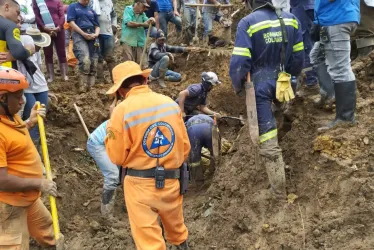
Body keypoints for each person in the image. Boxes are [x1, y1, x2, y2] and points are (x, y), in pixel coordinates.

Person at [105, 61, 191, 250]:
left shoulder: (121, 111)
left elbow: (117, 157)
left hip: (139, 186)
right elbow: (185, 147)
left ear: (120, 91)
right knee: (177, 230)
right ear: (145, 80)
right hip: (171, 180)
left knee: (149, 243)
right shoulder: (169, 103)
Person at [229, 0, 305, 199]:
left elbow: (239, 63)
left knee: (266, 136)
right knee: (279, 110)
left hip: (260, 85)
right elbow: (298, 58)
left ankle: (278, 191)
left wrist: (239, 87)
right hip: (284, 81)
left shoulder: (248, 22)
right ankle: (283, 127)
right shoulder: (293, 20)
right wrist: (288, 78)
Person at [0, 66, 63, 249]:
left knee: (49, 233)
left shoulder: (10, 116)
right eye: (18, 97)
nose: (22, 102)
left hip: (28, 198)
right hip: (9, 205)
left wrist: (30, 122)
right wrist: (39, 184)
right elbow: (1, 180)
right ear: (2, 97)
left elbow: (13, 142)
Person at [313, 0, 360, 131]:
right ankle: (329, 94)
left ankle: (345, 118)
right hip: (334, 17)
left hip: (336, 18)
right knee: (317, 56)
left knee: (340, 68)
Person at [17, 26, 51, 151]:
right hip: (27, 88)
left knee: (41, 117)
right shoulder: (20, 50)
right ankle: (30, 148)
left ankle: (36, 147)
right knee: (31, 117)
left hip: (41, 86)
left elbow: (39, 69)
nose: (39, 47)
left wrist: (47, 89)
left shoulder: (37, 53)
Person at [87, 119, 120, 217]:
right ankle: (106, 215)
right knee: (113, 175)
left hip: (114, 143)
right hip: (98, 143)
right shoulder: (127, 121)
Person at [67, 0, 100, 93]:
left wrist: (96, 34)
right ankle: (82, 86)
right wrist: (83, 33)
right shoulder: (73, 6)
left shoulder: (91, 10)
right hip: (79, 34)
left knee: (94, 61)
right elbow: (71, 22)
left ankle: (91, 88)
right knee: (85, 60)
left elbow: (97, 25)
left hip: (92, 34)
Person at [33, 0, 68, 82]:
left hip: (58, 30)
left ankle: (64, 74)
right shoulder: (37, 1)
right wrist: (44, 27)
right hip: (45, 30)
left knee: (61, 52)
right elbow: (37, 16)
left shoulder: (57, 1)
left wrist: (58, 27)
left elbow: (62, 15)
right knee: (48, 53)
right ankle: (51, 76)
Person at [290, 0, 319, 96]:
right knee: (310, 43)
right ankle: (313, 79)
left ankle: (312, 82)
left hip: (302, 7)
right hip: (303, 6)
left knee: (306, 44)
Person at [0, 0, 35, 68]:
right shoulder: (10, 26)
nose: (18, 18)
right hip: (5, 71)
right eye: (17, 12)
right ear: (6, 7)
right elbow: (19, 53)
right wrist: (30, 49)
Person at [90, 0, 117, 82]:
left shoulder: (109, 2)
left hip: (108, 32)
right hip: (96, 33)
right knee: (98, 57)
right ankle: (100, 78)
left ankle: (115, 78)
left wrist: (114, 25)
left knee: (110, 57)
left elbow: (114, 15)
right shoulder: (91, 2)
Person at [186, 114, 213, 187]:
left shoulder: (187, 122)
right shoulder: (209, 118)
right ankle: (213, 174)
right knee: (215, 153)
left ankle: (199, 182)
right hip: (209, 128)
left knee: (195, 159)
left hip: (193, 131)